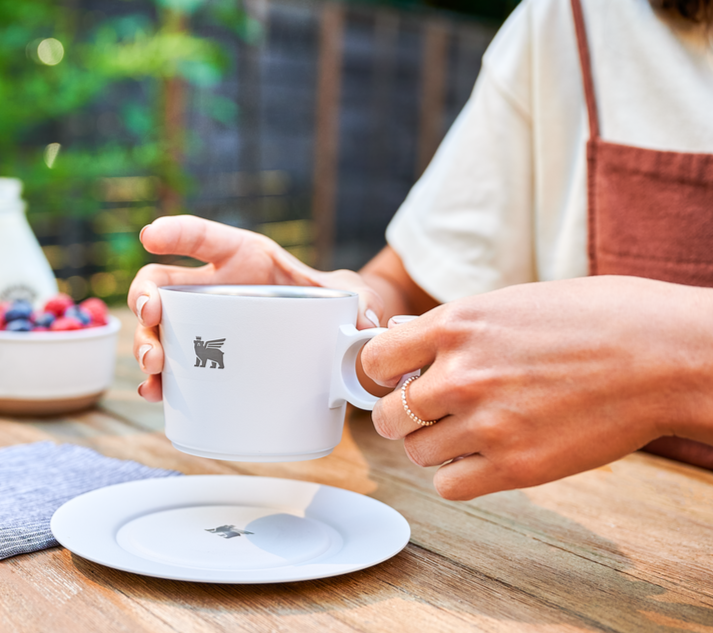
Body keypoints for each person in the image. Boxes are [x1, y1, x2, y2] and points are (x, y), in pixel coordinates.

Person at [128, 0, 713, 501]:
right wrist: (322, 316)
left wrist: (664, 356)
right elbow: (410, 288)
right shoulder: (572, 19)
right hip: (605, 547)